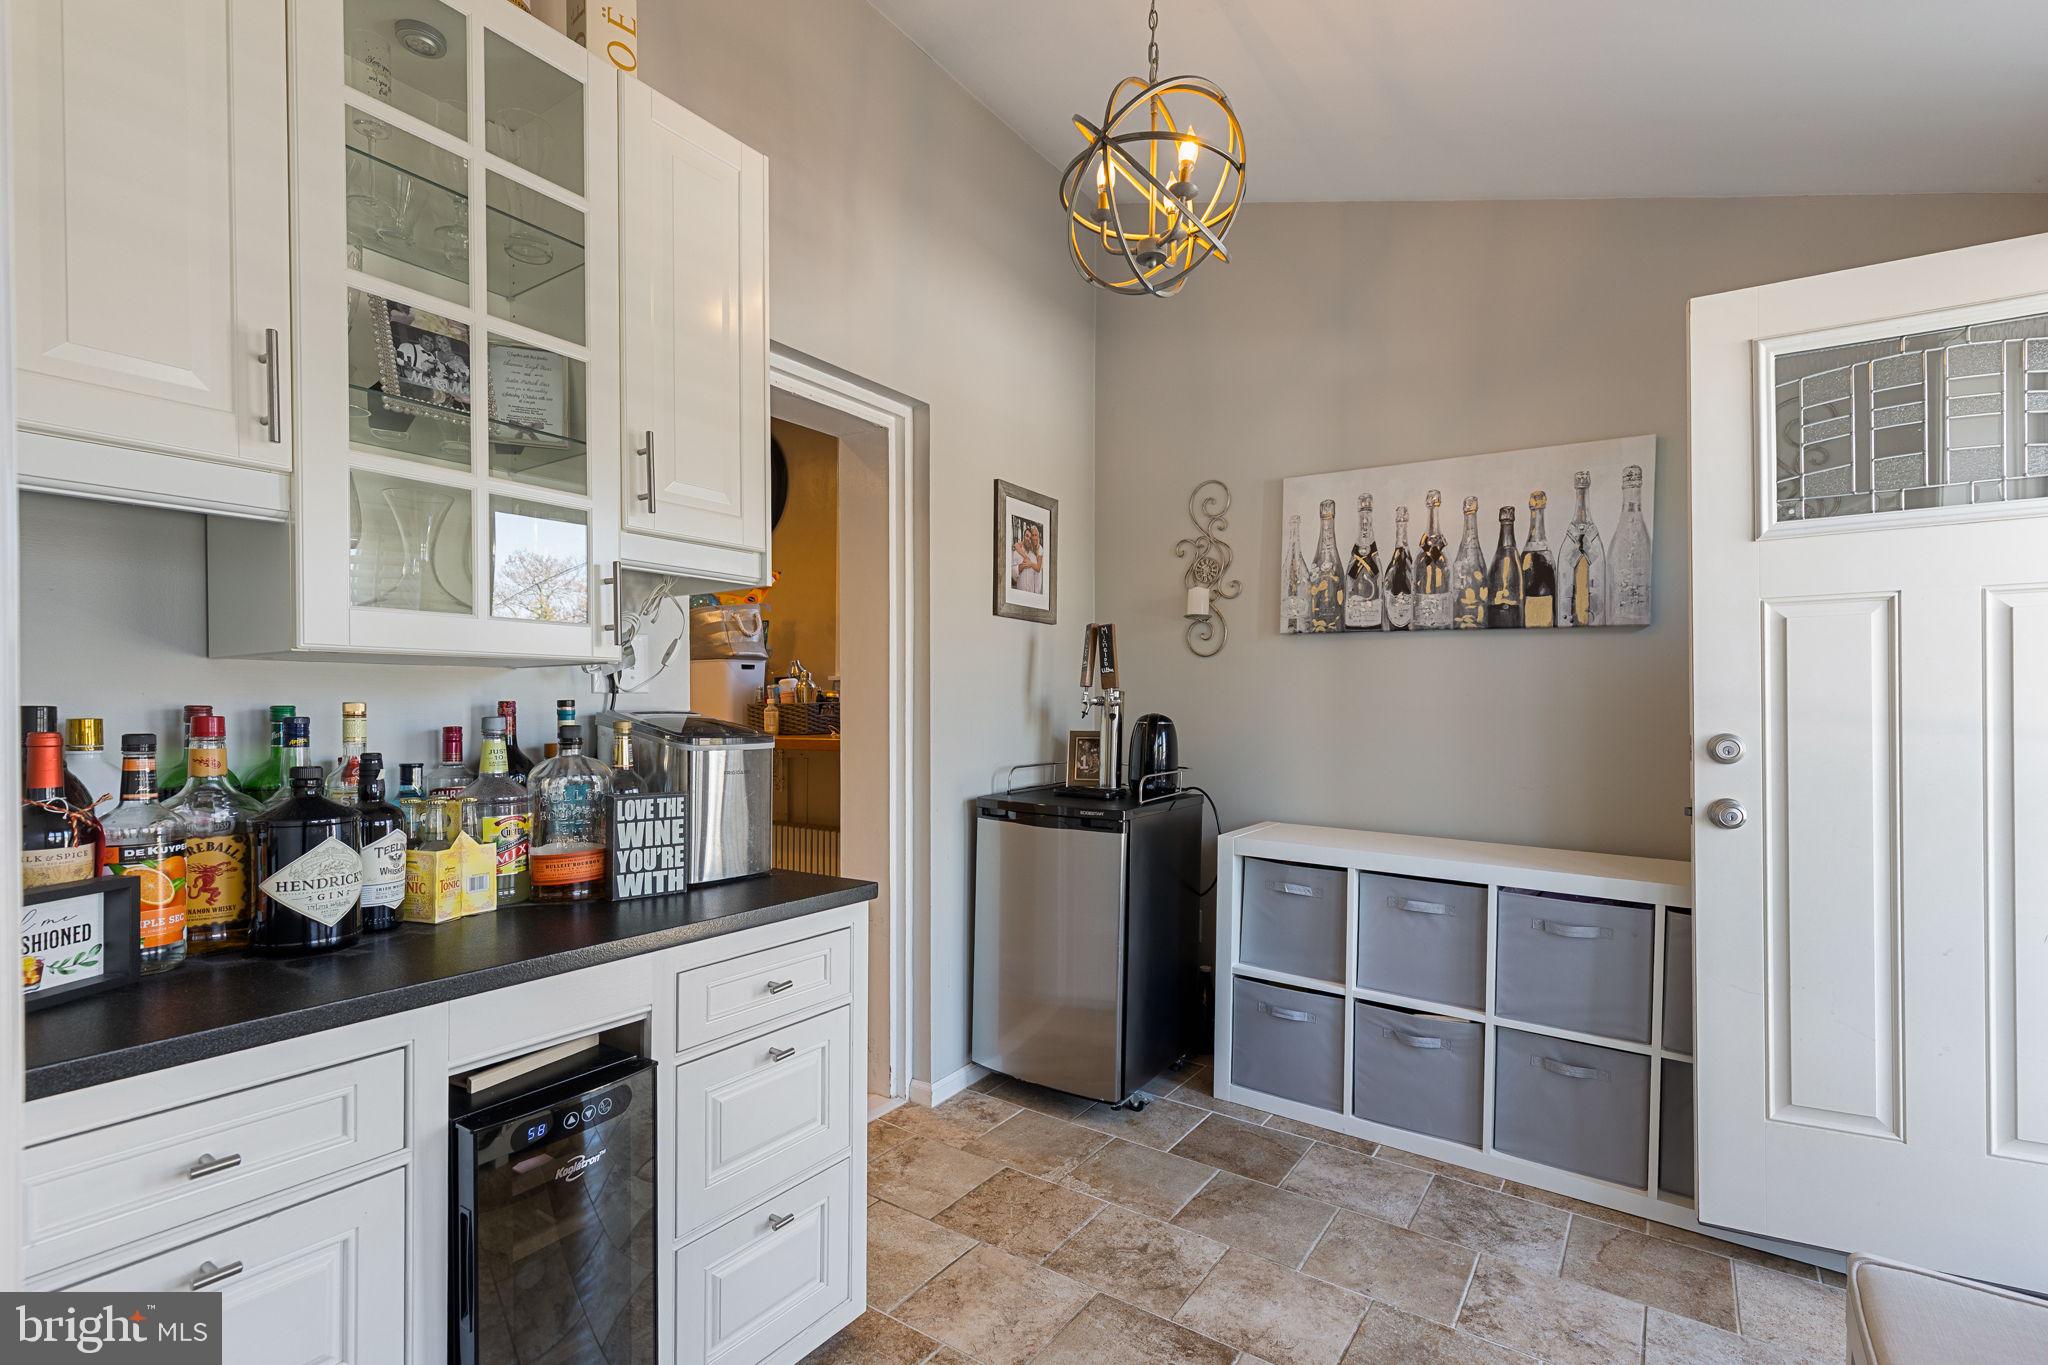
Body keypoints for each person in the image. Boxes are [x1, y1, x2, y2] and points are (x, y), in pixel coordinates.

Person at [1010, 521, 1044, 594]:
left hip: (1032, 596)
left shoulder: (1036, 555)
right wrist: (1019, 567)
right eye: (1026, 536)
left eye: (1030, 537)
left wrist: (1036, 595)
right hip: (1019, 593)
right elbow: (1011, 573)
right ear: (1024, 536)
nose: (1028, 538)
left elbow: (1038, 578)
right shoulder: (1016, 552)